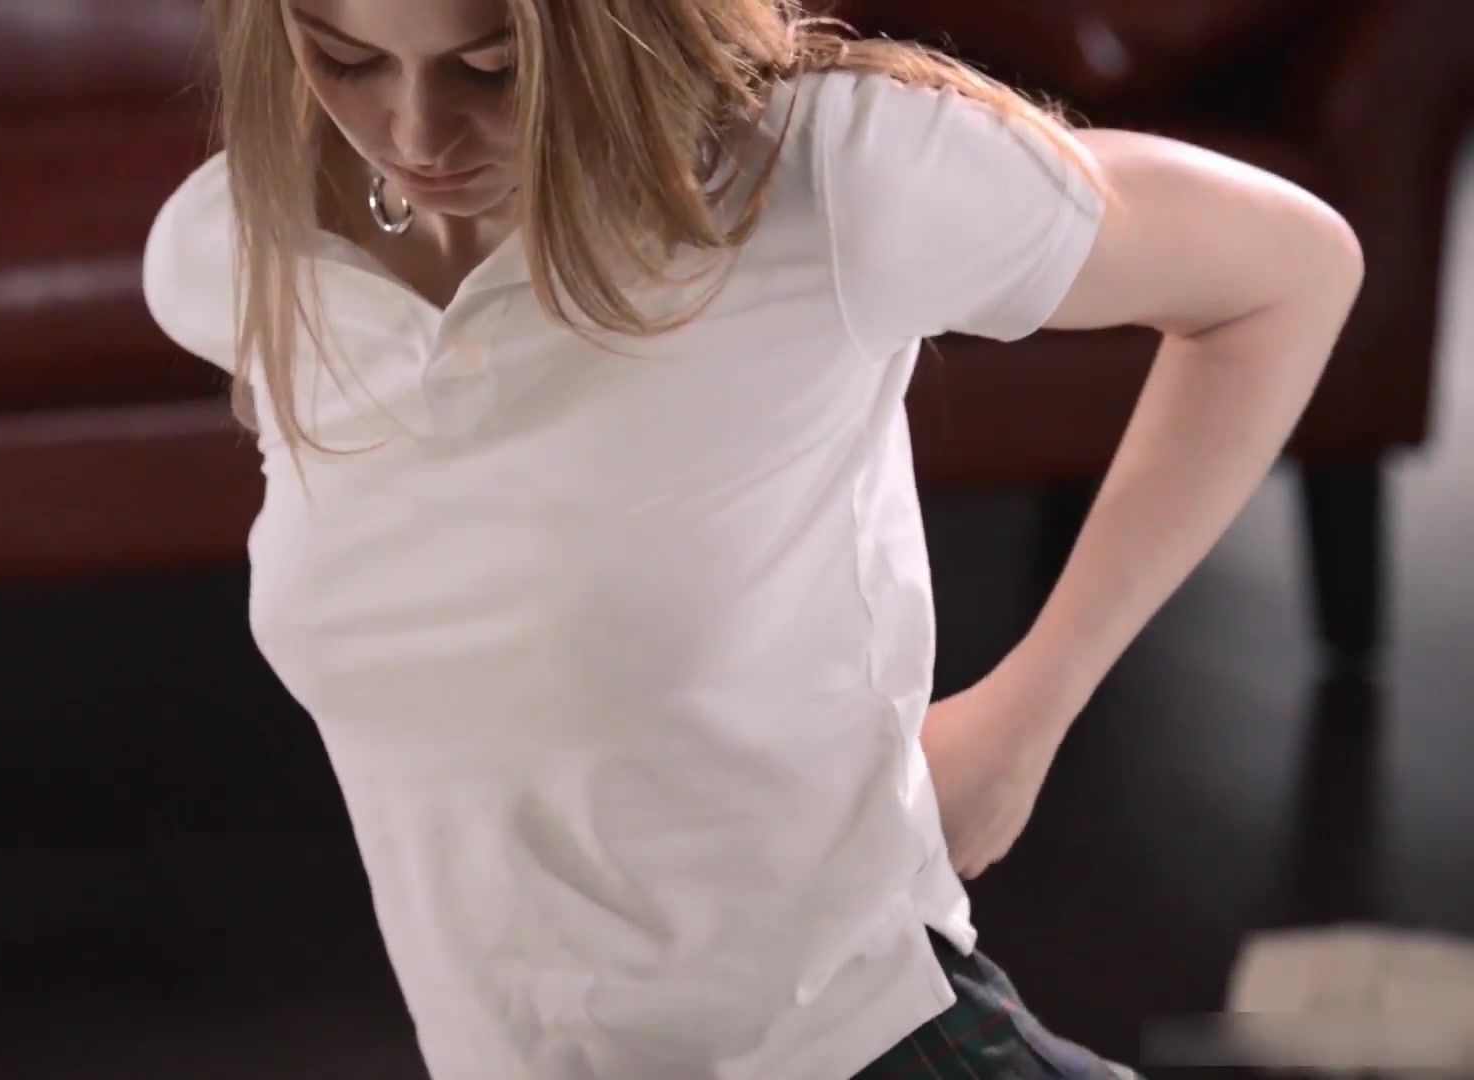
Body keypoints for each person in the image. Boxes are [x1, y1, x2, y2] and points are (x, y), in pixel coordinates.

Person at [142, 0, 1363, 1076]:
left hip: (852, 1041)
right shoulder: (240, 255)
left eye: (493, 68)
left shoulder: (834, 175)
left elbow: (1290, 273)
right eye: (346, 57)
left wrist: (1027, 715)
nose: (415, 134)